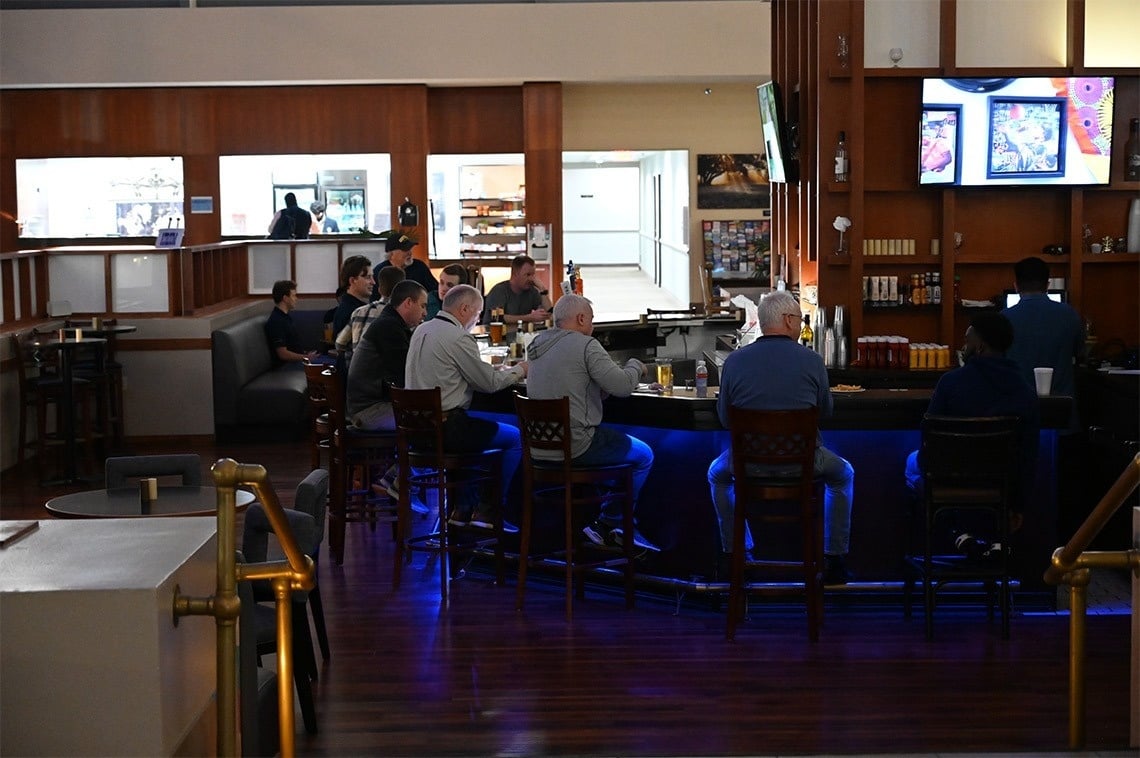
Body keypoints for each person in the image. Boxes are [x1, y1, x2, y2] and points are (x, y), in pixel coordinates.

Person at [708, 290, 855, 584]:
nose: (800, 325)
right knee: (843, 474)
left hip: (748, 466)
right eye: (799, 319)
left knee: (717, 475)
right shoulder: (812, 360)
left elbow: (725, 419)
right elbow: (825, 412)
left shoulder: (734, 362)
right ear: (788, 320)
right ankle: (834, 559)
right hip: (804, 465)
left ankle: (735, 553)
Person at [525, 294, 659, 551]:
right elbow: (622, 386)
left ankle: (592, 528)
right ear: (581, 318)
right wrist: (635, 366)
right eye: (591, 319)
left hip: (538, 451)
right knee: (644, 455)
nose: (593, 326)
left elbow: (581, 385)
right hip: (578, 446)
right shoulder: (586, 345)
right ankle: (610, 522)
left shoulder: (536, 344)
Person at [904, 312, 1040, 548]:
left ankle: (956, 531)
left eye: (967, 341)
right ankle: (993, 541)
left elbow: (929, 436)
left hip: (949, 479)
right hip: (1002, 486)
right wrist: (1017, 504)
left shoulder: (951, 382)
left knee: (912, 462)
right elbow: (1029, 455)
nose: (963, 347)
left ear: (980, 346)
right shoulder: (1024, 390)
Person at [405, 284, 526, 530]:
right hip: (447, 430)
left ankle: (462, 509)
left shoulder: (421, 330)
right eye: (477, 313)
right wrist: (520, 370)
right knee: (517, 437)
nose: (477, 320)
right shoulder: (458, 337)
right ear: (464, 309)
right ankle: (491, 511)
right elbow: (489, 384)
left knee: (475, 429)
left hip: (415, 431)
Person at [347, 280, 428, 431]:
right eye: (423, 306)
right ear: (408, 303)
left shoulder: (391, 323)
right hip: (369, 411)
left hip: (367, 406)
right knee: (432, 417)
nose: (425, 313)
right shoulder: (389, 327)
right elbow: (404, 374)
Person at [1002, 256, 1084, 399]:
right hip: (1061, 405)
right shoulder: (1070, 315)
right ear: (1048, 285)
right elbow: (1080, 354)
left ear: (1016, 286)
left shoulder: (1003, 319)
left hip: (1016, 404)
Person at [335, 265, 406, 359]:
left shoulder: (359, 312)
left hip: (355, 365)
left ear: (379, 290)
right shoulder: (401, 315)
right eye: (368, 277)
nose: (372, 282)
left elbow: (339, 343)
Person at [481, 254, 552, 326]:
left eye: (533, 275)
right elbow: (498, 317)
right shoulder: (499, 290)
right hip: (494, 331)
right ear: (515, 274)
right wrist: (529, 318)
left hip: (520, 332)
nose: (531, 279)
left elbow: (549, 313)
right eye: (528, 275)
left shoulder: (532, 291)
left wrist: (542, 289)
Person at [265, 279, 317, 366]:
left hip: (297, 362)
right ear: (285, 298)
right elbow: (283, 354)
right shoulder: (276, 321)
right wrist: (306, 357)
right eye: (294, 296)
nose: (296, 299)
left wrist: (306, 354)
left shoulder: (285, 317)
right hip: (287, 366)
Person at [373, 233, 437, 298]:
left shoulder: (420, 267)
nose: (410, 253)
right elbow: (373, 297)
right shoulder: (379, 271)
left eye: (410, 249)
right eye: (405, 249)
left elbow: (434, 291)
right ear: (391, 254)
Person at [330, 255, 373, 337]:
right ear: (353, 280)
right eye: (368, 277)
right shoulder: (352, 312)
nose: (373, 282)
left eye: (372, 277)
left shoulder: (357, 308)